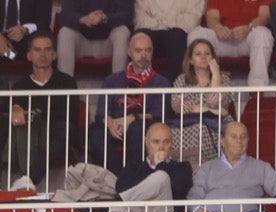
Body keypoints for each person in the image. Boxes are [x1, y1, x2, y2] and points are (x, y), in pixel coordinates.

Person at [89, 31, 170, 172]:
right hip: (115, 126)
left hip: (141, 126)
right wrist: (110, 122)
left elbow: (158, 115)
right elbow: (101, 113)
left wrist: (131, 118)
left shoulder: (161, 82)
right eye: (138, 51)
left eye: (147, 51)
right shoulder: (113, 80)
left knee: (137, 129)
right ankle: (119, 178)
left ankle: (131, 177)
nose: (143, 55)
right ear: (129, 52)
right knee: (96, 132)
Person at [6, 31, 79, 186]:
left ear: (54, 55)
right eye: (37, 50)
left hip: (57, 133)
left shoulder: (67, 82)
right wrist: (15, 107)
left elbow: (70, 116)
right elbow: (16, 113)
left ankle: (29, 179)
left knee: (64, 127)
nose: (42, 54)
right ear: (29, 55)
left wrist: (35, 112)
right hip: (31, 133)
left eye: (47, 49)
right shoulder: (20, 86)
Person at [131, 0, 203, 80]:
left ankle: (176, 91)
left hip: (178, 42)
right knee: (140, 36)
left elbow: (189, 24)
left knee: (176, 35)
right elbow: (141, 23)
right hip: (151, 40)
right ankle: (136, 88)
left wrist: (156, 19)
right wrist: (175, 18)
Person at [167, 37, 237, 167]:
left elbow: (215, 103)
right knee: (198, 128)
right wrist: (210, 110)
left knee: (205, 129)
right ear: (191, 61)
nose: (203, 57)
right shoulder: (182, 80)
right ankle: (192, 170)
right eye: (198, 54)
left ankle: (211, 170)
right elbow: (177, 107)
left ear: (213, 58)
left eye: (207, 54)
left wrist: (215, 74)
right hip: (187, 125)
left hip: (218, 124)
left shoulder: (224, 79)